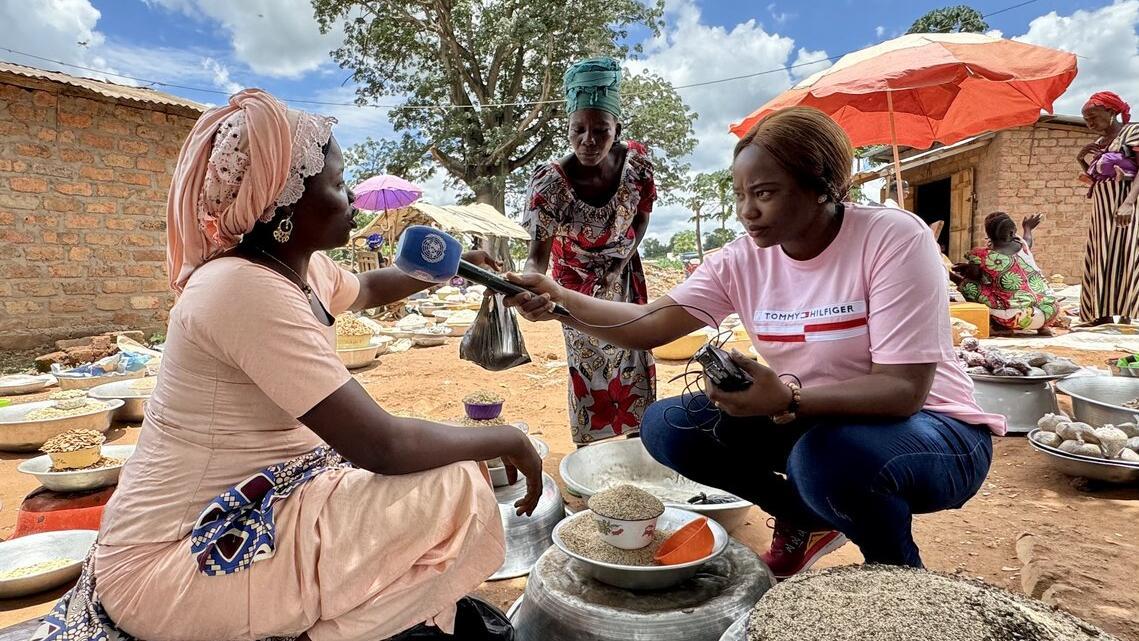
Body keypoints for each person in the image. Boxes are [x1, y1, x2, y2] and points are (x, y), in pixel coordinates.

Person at [36, 89, 542, 641]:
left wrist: (458, 267)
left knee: (436, 485)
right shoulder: (241, 289)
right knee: (454, 486)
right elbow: (383, 447)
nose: (350, 198)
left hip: (254, 503)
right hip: (175, 560)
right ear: (285, 204)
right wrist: (506, 437)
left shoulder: (296, 269)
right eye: (337, 184)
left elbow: (368, 286)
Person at [505, 107, 1003, 578]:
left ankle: (899, 578)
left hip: (934, 430)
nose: (748, 211)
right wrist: (558, 301)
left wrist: (789, 398)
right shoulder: (743, 260)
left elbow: (903, 390)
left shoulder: (891, 237)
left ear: (822, 186)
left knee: (826, 459)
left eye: (765, 193)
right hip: (813, 421)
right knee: (668, 425)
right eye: (739, 194)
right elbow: (644, 325)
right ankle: (804, 516)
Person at [522, 56, 656, 446]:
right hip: (572, 285)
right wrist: (534, 285)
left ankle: (638, 444)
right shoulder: (551, 184)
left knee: (633, 354)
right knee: (588, 367)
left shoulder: (638, 166)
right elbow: (537, 255)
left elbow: (641, 219)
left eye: (601, 130)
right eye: (578, 130)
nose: (589, 141)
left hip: (625, 273)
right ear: (567, 128)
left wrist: (621, 262)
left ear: (618, 129)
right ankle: (590, 449)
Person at [1076, 91, 1139, 326]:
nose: (1089, 123)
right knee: (1101, 255)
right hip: (1102, 208)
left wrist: (1129, 202)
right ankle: (1100, 314)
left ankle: (1127, 314)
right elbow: (1095, 178)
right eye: (1086, 119)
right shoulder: (1100, 144)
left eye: (1093, 117)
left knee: (1126, 254)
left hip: (1124, 204)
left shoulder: (1132, 131)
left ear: (1111, 112)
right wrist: (1082, 159)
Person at [952, 212, 1061, 334]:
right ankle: (1042, 327)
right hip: (1051, 311)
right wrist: (1027, 228)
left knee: (968, 286)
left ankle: (997, 325)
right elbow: (1028, 239)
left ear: (989, 235)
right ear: (1012, 233)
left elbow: (973, 277)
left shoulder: (981, 255)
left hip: (1017, 318)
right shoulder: (1023, 246)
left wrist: (949, 274)